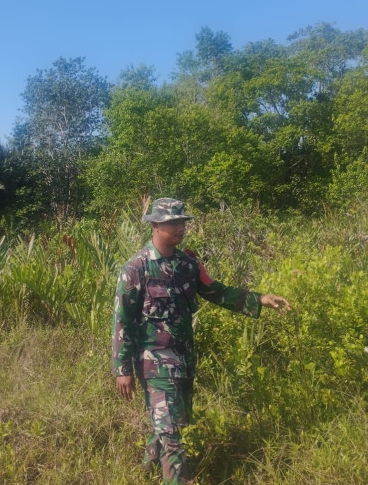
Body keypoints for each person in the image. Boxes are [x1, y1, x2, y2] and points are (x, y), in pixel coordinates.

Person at [112, 198, 291, 484]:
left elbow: (216, 292)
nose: (180, 227)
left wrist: (260, 299)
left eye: (183, 222)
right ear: (156, 225)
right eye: (173, 222)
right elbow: (122, 319)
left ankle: (145, 471)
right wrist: (122, 370)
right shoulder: (136, 268)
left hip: (183, 360)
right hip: (153, 364)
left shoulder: (188, 264)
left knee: (172, 422)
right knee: (170, 430)